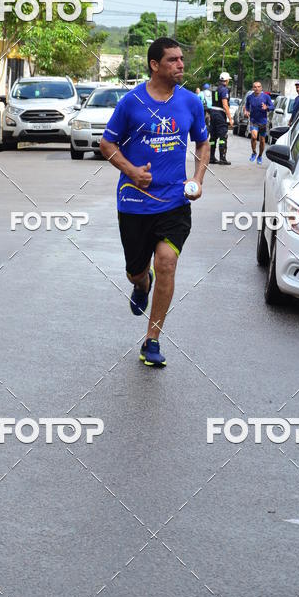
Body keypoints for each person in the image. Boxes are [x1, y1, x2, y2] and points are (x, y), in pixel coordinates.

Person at [100, 37, 209, 368]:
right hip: (134, 202)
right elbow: (107, 144)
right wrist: (131, 171)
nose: (181, 65)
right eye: (173, 60)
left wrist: (197, 179)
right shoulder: (131, 102)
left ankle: (152, 340)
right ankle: (141, 283)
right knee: (136, 272)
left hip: (175, 201)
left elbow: (203, 143)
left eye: (181, 59)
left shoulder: (191, 102)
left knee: (167, 263)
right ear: (154, 65)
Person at [244, 80, 273, 165]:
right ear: (253, 88)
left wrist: (267, 107)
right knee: (254, 137)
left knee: (262, 140)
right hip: (253, 120)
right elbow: (247, 106)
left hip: (263, 121)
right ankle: (254, 152)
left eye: (258, 87)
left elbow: (272, 107)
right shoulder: (249, 97)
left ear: (261, 88)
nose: (257, 88)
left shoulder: (266, 97)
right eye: (255, 87)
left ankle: (260, 156)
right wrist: (247, 111)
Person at [209, 71, 233, 164]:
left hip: (213, 112)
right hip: (220, 114)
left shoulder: (216, 88)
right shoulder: (224, 90)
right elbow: (225, 105)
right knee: (223, 135)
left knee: (213, 136)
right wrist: (230, 118)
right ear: (227, 80)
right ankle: (222, 158)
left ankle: (211, 157)